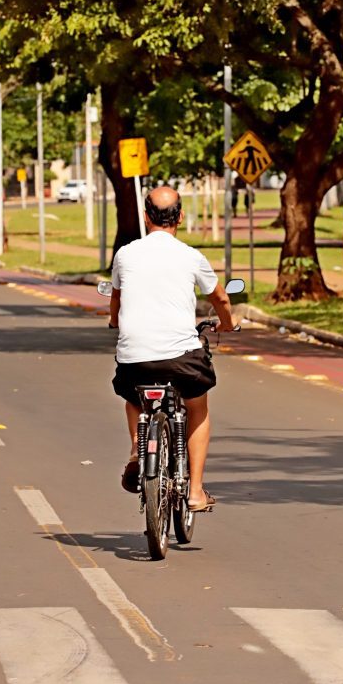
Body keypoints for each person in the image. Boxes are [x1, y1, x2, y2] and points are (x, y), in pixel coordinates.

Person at [109, 185, 235, 513]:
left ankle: (137, 449)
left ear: (145, 217)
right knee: (197, 406)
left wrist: (114, 321)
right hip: (182, 359)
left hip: (135, 360)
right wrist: (227, 323)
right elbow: (220, 298)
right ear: (180, 217)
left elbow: (117, 297)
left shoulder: (125, 254)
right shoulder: (191, 256)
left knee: (133, 397)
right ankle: (195, 492)